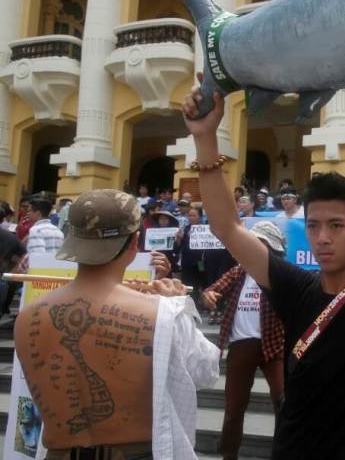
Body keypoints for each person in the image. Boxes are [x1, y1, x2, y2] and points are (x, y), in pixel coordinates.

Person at [182, 64, 345, 459]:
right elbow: (226, 228)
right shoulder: (294, 288)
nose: (322, 237)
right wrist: (205, 137)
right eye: (313, 225)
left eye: (337, 225)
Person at [14, 189, 220, 459]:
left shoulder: (28, 316)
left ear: (72, 240)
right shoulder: (161, 311)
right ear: (135, 242)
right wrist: (180, 309)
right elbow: (205, 372)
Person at [202, 221, 286, 460]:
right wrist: (209, 295)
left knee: (285, 403)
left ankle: (284, 452)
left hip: (275, 346)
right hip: (241, 346)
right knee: (234, 408)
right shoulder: (240, 270)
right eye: (253, 242)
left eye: (261, 244)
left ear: (271, 248)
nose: (255, 248)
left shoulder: (279, 272)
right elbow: (214, 289)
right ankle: (228, 454)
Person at [177, 206, 208, 308]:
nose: (191, 217)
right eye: (189, 215)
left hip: (201, 262)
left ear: (200, 217)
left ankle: (202, 303)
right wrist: (179, 239)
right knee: (187, 283)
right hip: (187, 261)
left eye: (194, 215)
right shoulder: (185, 229)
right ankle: (190, 304)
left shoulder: (205, 229)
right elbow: (179, 246)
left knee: (201, 281)